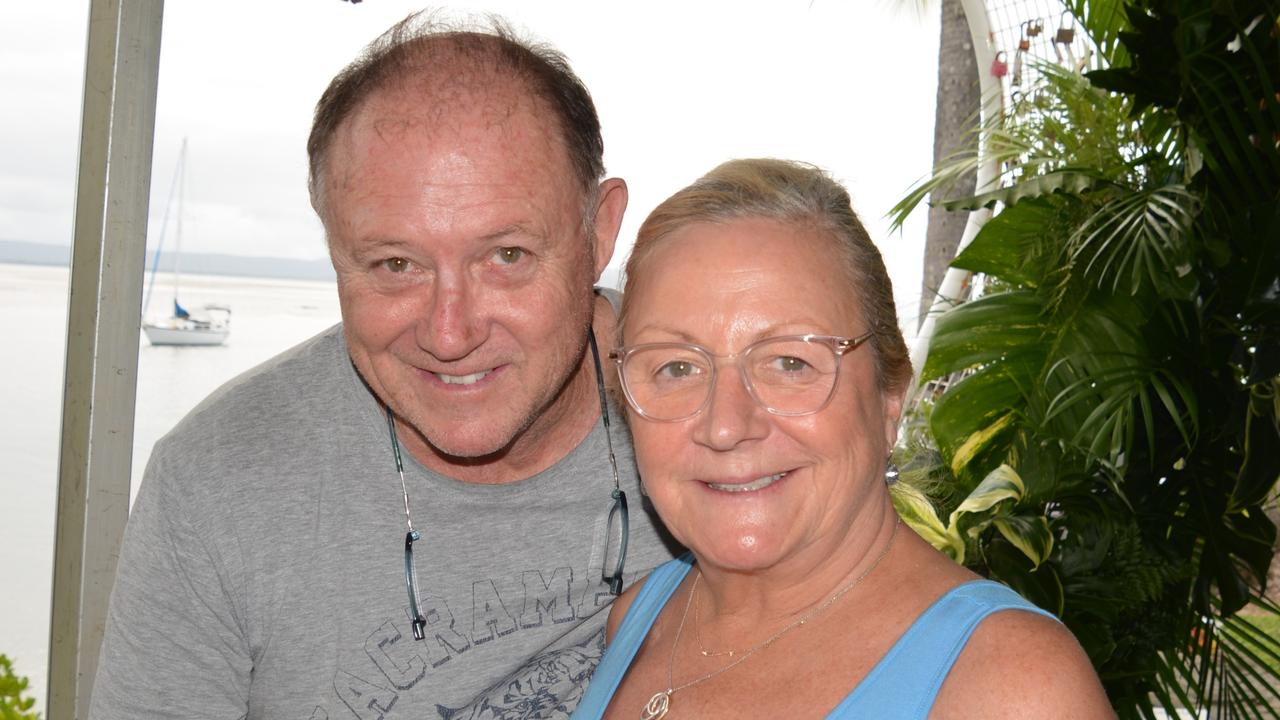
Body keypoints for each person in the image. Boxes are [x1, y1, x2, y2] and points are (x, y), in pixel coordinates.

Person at [90, 13, 678, 720]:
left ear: (600, 227)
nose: (450, 332)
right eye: (395, 265)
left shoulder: (722, 420)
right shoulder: (217, 483)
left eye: (507, 256)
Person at [572, 159, 1114, 719]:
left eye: (790, 362)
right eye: (676, 368)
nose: (726, 426)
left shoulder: (1013, 689)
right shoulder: (641, 619)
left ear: (889, 397)